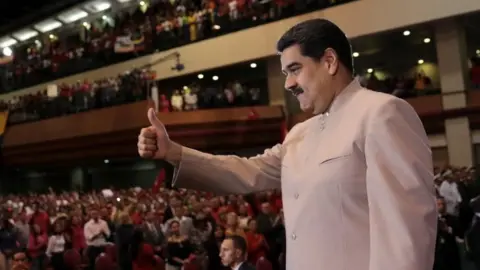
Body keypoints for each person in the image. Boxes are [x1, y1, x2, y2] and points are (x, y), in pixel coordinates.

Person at [138, 18, 437, 270]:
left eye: (295, 69)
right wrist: (173, 152)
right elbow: (246, 171)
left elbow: (406, 236)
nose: (288, 84)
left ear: (329, 61)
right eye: (285, 73)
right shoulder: (299, 133)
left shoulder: (381, 113)